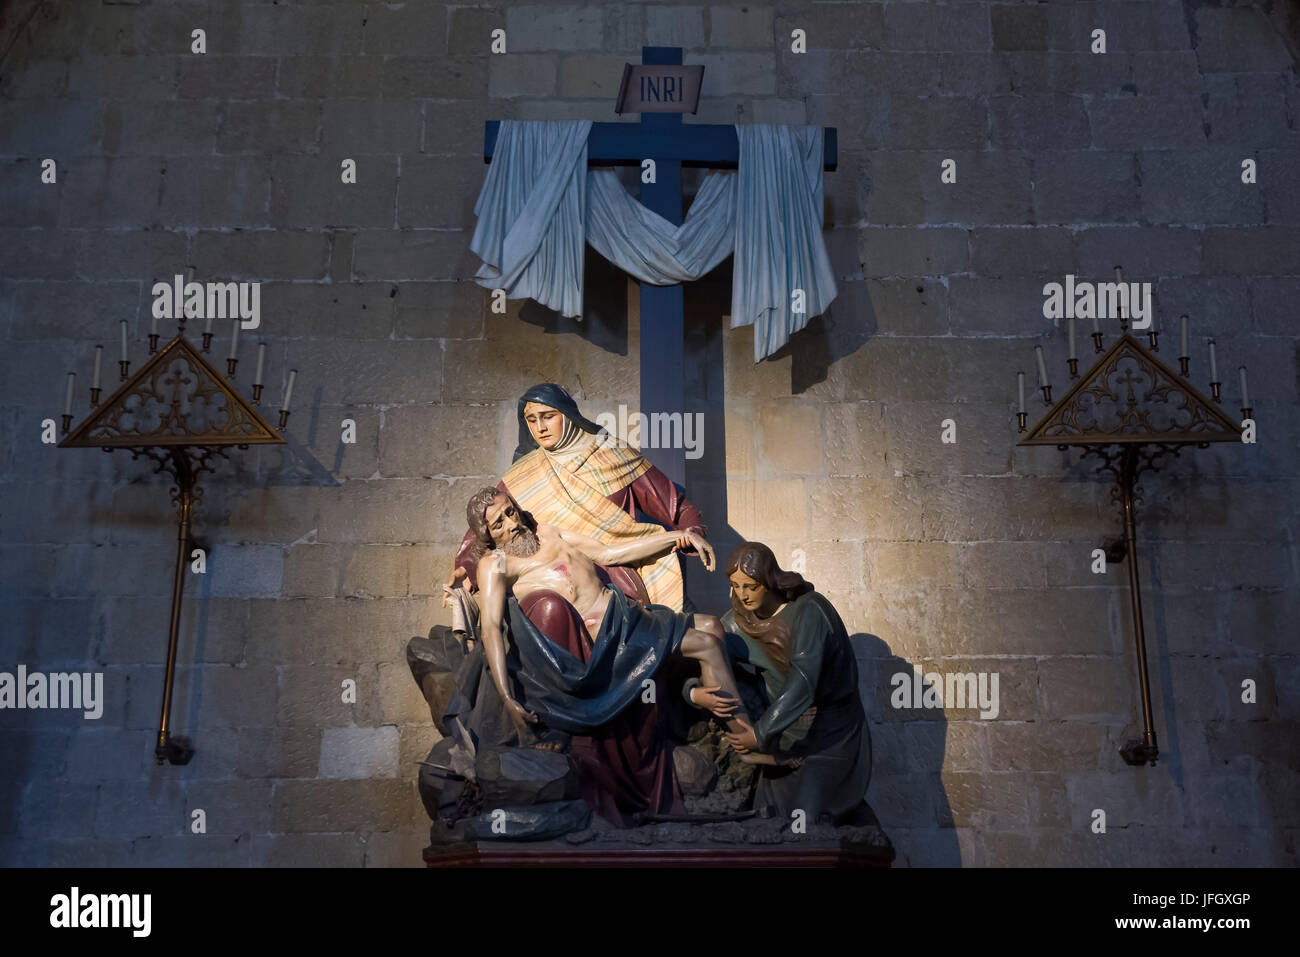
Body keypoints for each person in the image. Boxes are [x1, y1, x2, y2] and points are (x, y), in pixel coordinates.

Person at [460, 487, 743, 825]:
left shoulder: (549, 533)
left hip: (626, 618)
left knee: (713, 626)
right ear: (487, 535)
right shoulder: (495, 563)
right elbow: (491, 627)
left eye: (510, 512)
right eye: (497, 524)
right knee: (707, 644)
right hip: (605, 646)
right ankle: (746, 739)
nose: (510, 523)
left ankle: (728, 729)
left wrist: (676, 536)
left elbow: (610, 553)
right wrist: (507, 696)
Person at [449, 383, 706, 612]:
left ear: (567, 415)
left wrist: (690, 531)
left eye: (548, 417)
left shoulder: (612, 452)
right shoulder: (523, 474)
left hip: (613, 573)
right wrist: (466, 567)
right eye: (531, 420)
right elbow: (482, 528)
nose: (540, 427)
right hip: (549, 578)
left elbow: (675, 505)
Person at [715, 542, 872, 823]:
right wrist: (693, 692)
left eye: (750, 586)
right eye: (736, 586)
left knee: (808, 821)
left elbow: (804, 678)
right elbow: (703, 658)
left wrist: (760, 734)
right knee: (771, 820)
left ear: (769, 580)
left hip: (829, 733)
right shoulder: (735, 624)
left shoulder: (810, 610)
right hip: (783, 738)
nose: (743, 595)